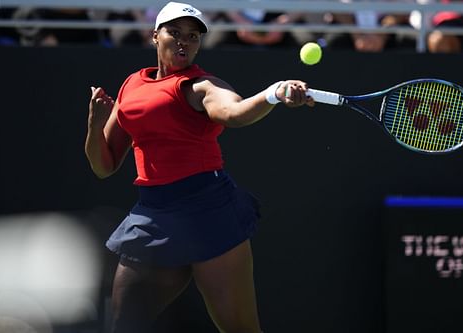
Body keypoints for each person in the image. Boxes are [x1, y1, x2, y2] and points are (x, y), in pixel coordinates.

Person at [84, 2, 314, 332]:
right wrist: (94, 125)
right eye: (174, 33)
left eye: (192, 37)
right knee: (123, 326)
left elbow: (234, 113)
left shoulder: (201, 86)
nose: (183, 42)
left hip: (209, 211)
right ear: (155, 36)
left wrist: (273, 94)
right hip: (153, 215)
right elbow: (103, 166)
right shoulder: (132, 85)